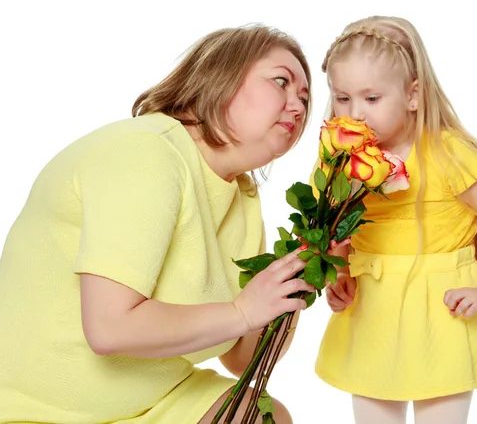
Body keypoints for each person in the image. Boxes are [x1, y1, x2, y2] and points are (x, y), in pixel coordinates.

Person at [0, 25, 315, 424]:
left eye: (305, 98)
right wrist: (241, 311)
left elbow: (241, 357)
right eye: (281, 82)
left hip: (157, 400)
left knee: (262, 416)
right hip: (40, 411)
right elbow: (110, 328)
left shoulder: (243, 199)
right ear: (221, 73)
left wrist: (306, 268)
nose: (298, 107)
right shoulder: (146, 153)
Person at [314, 16, 477, 424]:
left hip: (441, 315)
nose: (355, 113)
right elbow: (337, 230)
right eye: (342, 98)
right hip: (372, 312)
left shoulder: (447, 153)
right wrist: (338, 275)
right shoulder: (341, 161)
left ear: (413, 94)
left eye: (372, 99)